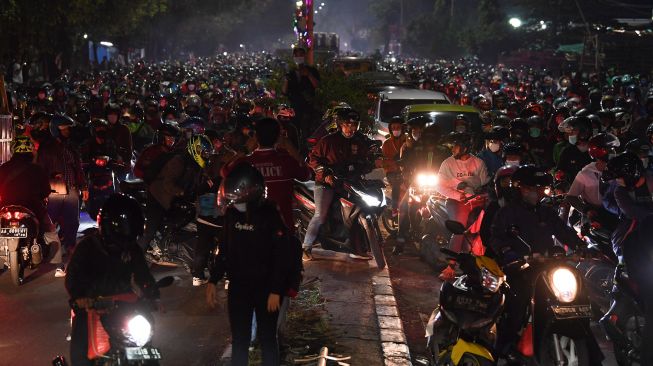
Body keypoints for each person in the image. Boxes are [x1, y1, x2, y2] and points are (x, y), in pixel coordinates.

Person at [490, 165, 585, 360]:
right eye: (533, 189)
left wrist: (580, 247)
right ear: (520, 188)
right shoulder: (507, 212)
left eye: (542, 189)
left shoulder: (546, 212)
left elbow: (563, 231)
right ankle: (506, 346)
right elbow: (496, 237)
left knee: (576, 299)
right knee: (516, 304)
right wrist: (508, 253)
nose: (538, 194)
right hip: (519, 269)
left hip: (548, 268)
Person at [206, 162, 291, 366]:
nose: (234, 202)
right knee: (240, 341)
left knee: (268, 339)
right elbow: (224, 250)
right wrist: (213, 280)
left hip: (266, 289)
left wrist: (276, 290)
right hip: (238, 288)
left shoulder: (270, 215)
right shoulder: (232, 215)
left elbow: (282, 256)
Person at [65, 194, 159, 366]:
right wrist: (81, 298)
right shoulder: (87, 247)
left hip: (124, 305)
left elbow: (143, 274)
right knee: (80, 357)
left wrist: (151, 291)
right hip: (91, 307)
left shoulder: (132, 249)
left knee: (147, 349)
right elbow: (73, 278)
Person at [303, 108, 375, 260]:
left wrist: (374, 162)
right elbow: (314, 160)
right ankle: (306, 247)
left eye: (354, 124)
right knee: (320, 215)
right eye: (347, 125)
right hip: (326, 184)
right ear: (340, 125)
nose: (351, 128)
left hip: (349, 183)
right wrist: (326, 174)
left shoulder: (359, 141)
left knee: (357, 210)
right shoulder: (327, 141)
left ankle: (357, 247)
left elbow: (367, 156)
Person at [223, 117, 310, 230]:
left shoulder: (246, 162)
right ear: (278, 137)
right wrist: (290, 147)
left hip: (252, 229)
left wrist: (244, 150)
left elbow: (224, 172)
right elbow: (306, 174)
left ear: (256, 137)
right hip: (282, 228)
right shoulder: (286, 160)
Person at [137, 134, 213, 255]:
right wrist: (182, 192)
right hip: (160, 196)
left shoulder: (197, 166)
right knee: (150, 230)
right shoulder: (179, 161)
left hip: (176, 199)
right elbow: (168, 184)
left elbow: (202, 183)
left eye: (207, 153)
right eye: (203, 153)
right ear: (195, 149)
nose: (205, 156)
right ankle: (136, 257)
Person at [0, 136, 63, 276]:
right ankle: (58, 266)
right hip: (32, 207)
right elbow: (46, 191)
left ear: (13, 151)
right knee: (51, 232)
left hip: (5, 208)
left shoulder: (3, 168)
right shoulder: (37, 169)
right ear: (31, 152)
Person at [37, 115, 88, 273]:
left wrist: (84, 186)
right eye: (64, 128)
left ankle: (70, 248)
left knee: (73, 221)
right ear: (56, 130)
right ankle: (51, 253)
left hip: (72, 189)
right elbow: (40, 171)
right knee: (51, 223)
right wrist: (49, 181)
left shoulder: (71, 147)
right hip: (54, 191)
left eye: (68, 128)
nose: (67, 131)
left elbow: (78, 169)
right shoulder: (46, 148)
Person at [436, 132, 490, 280]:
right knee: (459, 228)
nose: (453, 149)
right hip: (457, 202)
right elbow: (440, 186)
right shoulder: (447, 163)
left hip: (477, 201)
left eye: (455, 146)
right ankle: (450, 266)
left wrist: (481, 192)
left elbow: (485, 183)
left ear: (465, 148)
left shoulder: (478, 163)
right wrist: (458, 195)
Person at [282, 47, 320, 143]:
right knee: (294, 132)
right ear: (293, 57)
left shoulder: (312, 70)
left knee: (307, 132)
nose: (299, 57)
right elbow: (284, 92)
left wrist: (309, 75)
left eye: (301, 55)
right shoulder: (290, 73)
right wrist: (286, 81)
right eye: (297, 55)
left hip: (308, 107)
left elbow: (317, 85)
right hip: (294, 109)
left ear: (305, 56)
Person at [381, 116, 407, 218]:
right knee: (397, 184)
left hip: (407, 170)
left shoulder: (407, 140)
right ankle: (394, 209)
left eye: (398, 127)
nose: (396, 130)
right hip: (392, 172)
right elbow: (384, 161)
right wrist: (395, 164)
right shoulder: (387, 143)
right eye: (394, 128)